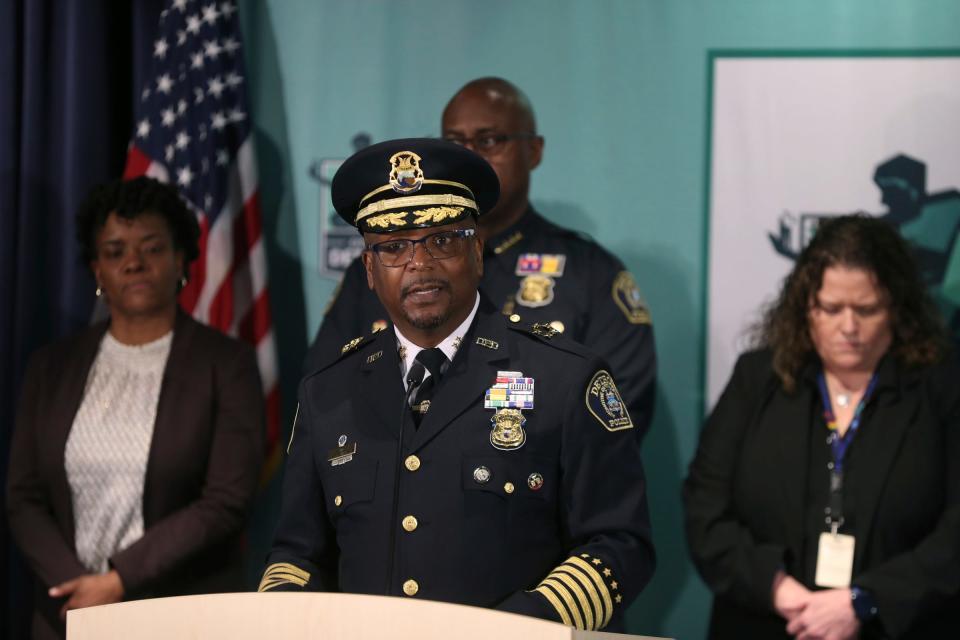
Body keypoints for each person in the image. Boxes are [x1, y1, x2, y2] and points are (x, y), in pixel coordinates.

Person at [260, 139, 654, 633]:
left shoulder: (565, 377)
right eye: (394, 247)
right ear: (368, 269)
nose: (419, 263)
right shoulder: (326, 393)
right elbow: (296, 556)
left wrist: (516, 629)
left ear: (477, 250)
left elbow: (619, 543)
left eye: (443, 240)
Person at [304, 77, 657, 441]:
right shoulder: (382, 268)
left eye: (489, 141)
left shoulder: (590, 273)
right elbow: (326, 399)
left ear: (534, 151)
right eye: (455, 142)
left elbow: (615, 416)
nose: (471, 154)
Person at [6, 177, 265, 639]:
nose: (133, 263)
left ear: (181, 259)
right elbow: (23, 497)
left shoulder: (227, 365)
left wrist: (117, 581)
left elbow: (226, 501)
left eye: (151, 248)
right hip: (67, 615)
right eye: (114, 251)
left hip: (181, 615)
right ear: (97, 271)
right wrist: (77, 590)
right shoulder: (51, 367)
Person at [683, 215, 960, 639]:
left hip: (897, 628)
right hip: (766, 622)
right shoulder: (758, 379)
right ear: (805, 308)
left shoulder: (942, 386)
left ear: (897, 310)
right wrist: (776, 588)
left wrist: (866, 601)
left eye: (867, 310)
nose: (849, 328)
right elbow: (704, 507)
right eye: (831, 309)